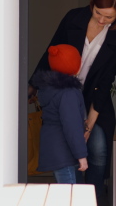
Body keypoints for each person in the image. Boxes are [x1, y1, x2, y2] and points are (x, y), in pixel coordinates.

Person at [29, 0, 116, 206]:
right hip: (65, 94)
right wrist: (33, 86)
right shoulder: (74, 17)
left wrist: (90, 121)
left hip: (95, 98)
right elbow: (50, 52)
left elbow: (107, 79)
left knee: (97, 150)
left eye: (109, 16)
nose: (102, 19)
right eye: (98, 13)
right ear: (92, 4)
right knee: (67, 151)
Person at [33, 44, 88, 183]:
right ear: (76, 66)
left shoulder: (49, 89)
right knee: (68, 194)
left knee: (65, 193)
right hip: (64, 151)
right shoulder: (68, 93)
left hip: (55, 149)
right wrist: (81, 155)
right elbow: (72, 126)